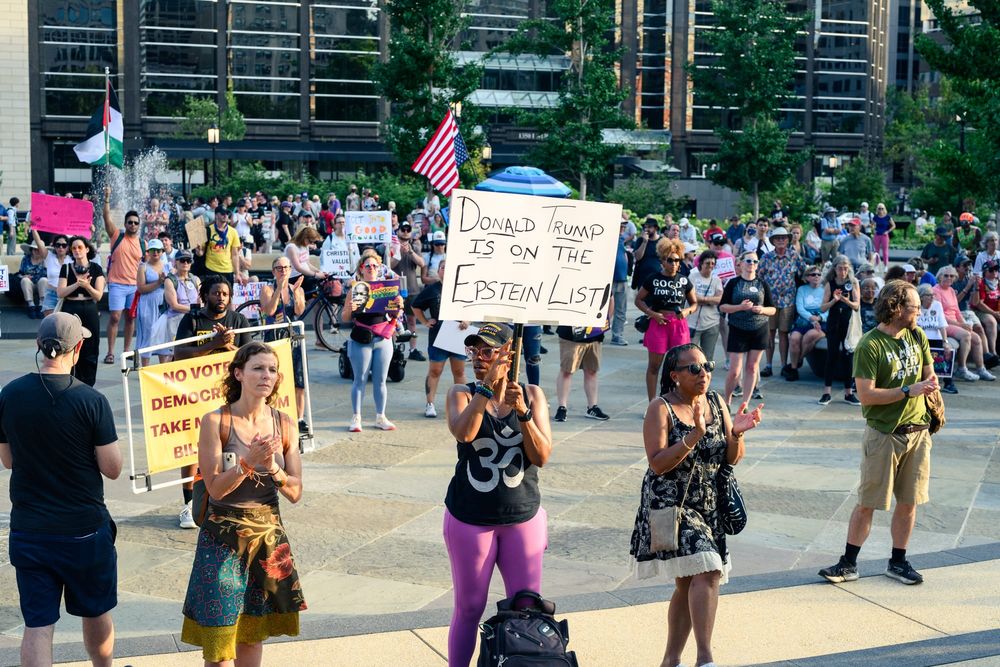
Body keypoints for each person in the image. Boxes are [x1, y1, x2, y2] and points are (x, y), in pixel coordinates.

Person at [0, 313, 122, 667]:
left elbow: (7, 460)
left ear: (39, 346)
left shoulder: (10, 395)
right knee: (96, 611)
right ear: (79, 348)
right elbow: (112, 469)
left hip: (30, 529)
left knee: (38, 624)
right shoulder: (91, 400)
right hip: (84, 530)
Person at [629, 344, 763, 667]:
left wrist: (738, 435)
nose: (703, 373)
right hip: (672, 506)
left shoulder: (716, 402)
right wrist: (694, 436)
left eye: (707, 366)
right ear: (674, 376)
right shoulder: (659, 408)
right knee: (708, 568)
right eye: (694, 369)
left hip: (709, 503)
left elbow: (731, 459)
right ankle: (705, 659)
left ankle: (670, 660)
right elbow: (658, 464)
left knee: (689, 582)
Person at [180, 342, 306, 666]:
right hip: (221, 542)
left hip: (267, 541)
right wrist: (249, 461)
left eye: (272, 370)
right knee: (220, 644)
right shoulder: (215, 421)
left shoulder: (285, 423)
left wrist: (273, 468)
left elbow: (295, 492)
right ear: (239, 373)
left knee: (252, 637)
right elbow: (216, 488)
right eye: (258, 368)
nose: (267, 375)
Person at [443, 323, 552, 667]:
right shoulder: (461, 393)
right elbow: (464, 434)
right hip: (470, 518)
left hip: (522, 516)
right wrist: (486, 389)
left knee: (525, 608)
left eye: (488, 351)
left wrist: (523, 414)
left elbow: (542, 456)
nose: (478, 358)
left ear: (510, 354)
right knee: (470, 606)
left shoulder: (532, 395)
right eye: (474, 350)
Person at [819, 280, 939, 586]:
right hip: (884, 434)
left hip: (919, 432)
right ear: (897, 308)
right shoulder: (870, 345)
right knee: (868, 502)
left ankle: (898, 561)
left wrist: (930, 385)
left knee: (909, 501)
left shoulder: (917, 335)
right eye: (914, 305)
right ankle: (848, 563)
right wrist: (907, 390)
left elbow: (929, 374)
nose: (919, 310)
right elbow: (866, 395)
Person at [173, 276, 254, 529]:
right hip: (196, 395)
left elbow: (250, 356)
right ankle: (189, 504)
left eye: (226, 294)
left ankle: (232, 499)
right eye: (216, 293)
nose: (221, 298)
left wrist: (229, 347)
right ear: (205, 295)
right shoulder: (192, 320)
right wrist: (212, 344)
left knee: (233, 445)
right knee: (191, 448)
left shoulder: (238, 321)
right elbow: (179, 353)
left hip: (229, 395)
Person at [341, 254, 405, 432]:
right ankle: (356, 416)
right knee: (359, 379)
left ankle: (380, 416)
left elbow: (395, 315)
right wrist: (349, 308)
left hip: (382, 337)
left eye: (375, 266)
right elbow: (344, 318)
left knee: (381, 380)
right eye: (368, 266)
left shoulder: (387, 288)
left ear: (380, 268)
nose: (371, 269)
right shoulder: (354, 290)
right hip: (361, 337)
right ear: (361, 268)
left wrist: (399, 305)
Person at [635, 238, 699, 401]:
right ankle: (652, 403)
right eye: (670, 260)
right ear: (662, 260)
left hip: (678, 325)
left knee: (680, 366)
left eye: (677, 260)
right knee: (654, 366)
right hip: (658, 324)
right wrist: (652, 314)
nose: (674, 263)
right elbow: (638, 300)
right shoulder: (653, 278)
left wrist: (686, 311)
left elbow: (694, 303)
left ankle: (676, 400)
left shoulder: (684, 280)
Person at [411, 260, 467, 418]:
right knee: (435, 370)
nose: (445, 271)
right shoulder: (432, 290)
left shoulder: (461, 288)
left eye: (449, 268)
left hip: (457, 335)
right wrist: (424, 321)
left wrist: (467, 321)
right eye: (443, 268)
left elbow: (471, 308)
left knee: (459, 371)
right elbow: (415, 306)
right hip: (438, 336)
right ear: (438, 271)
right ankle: (430, 403)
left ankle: (462, 404)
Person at [720, 251, 776, 404]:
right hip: (738, 328)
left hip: (759, 329)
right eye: (749, 261)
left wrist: (762, 310)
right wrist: (739, 307)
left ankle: (745, 403)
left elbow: (772, 309)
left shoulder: (762, 284)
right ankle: (727, 401)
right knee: (735, 371)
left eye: (755, 262)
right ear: (741, 263)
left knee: (752, 368)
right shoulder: (733, 283)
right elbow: (723, 307)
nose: (752, 264)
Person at [259, 257, 309, 429]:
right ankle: (273, 415)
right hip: (274, 339)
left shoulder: (297, 289)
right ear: (273, 271)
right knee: (274, 380)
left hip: (293, 339)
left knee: (299, 380)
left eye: (286, 267)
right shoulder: (267, 289)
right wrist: (279, 288)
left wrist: (295, 292)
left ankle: (300, 418)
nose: (283, 271)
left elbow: (299, 311)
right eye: (279, 268)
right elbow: (270, 310)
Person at [102, 187, 145, 364]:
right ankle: (110, 351)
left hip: (134, 287)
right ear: (125, 223)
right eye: (130, 222)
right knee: (115, 317)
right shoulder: (117, 236)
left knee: (130, 318)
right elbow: (106, 218)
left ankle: (126, 351)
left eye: (135, 222)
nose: (132, 225)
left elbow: (146, 265)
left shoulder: (143, 243)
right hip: (117, 284)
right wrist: (107, 198)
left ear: (138, 224)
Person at [758, 226, 807, 379]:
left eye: (783, 238)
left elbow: (805, 274)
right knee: (770, 333)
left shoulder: (794, 256)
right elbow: (758, 277)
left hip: (788, 301)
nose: (780, 241)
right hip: (770, 302)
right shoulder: (766, 258)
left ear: (787, 240)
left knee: (784, 334)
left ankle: (785, 365)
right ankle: (768, 365)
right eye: (777, 238)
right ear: (772, 241)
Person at [56, 237, 106, 386]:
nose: (77, 250)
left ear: (87, 249)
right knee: (69, 344)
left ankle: (88, 382)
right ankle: (69, 380)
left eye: (79, 247)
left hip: (89, 309)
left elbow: (98, 295)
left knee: (90, 345)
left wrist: (87, 286)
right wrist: (77, 284)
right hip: (70, 308)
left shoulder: (96, 268)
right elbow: (61, 292)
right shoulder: (66, 268)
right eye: (73, 248)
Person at [553, 302, 613, 422]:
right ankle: (562, 407)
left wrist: (605, 320)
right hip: (571, 332)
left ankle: (592, 407)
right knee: (567, 370)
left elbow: (610, 299)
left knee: (592, 370)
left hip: (594, 332)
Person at [934, 266, 993, 381]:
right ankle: (962, 369)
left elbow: (957, 311)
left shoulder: (951, 290)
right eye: (946, 275)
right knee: (966, 335)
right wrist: (961, 326)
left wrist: (965, 324)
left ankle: (981, 369)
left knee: (976, 338)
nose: (949, 278)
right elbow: (940, 316)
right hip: (943, 324)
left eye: (952, 276)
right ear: (940, 276)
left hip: (954, 323)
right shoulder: (935, 291)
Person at [818, 255, 861, 405]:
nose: (842, 271)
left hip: (848, 324)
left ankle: (848, 393)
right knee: (832, 355)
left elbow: (856, 305)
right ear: (834, 269)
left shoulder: (853, 282)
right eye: (840, 268)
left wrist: (845, 300)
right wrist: (834, 300)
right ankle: (826, 392)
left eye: (845, 268)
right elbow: (822, 308)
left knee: (848, 356)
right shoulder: (830, 284)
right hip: (834, 322)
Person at [148, 249, 200, 364]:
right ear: (175, 262)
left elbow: (202, 300)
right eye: (182, 260)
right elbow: (174, 305)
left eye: (188, 260)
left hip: (195, 319)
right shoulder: (170, 280)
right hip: (176, 320)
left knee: (195, 351)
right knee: (175, 352)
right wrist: (195, 309)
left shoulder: (195, 279)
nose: (185, 263)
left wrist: (199, 309)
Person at [391, 218, 428, 360]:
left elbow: (422, 263)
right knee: (393, 321)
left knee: (412, 320)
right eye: (403, 229)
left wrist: (410, 251)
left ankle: (413, 349)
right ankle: (394, 349)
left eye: (408, 230)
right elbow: (390, 265)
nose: (405, 232)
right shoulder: (391, 246)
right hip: (394, 290)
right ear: (398, 231)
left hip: (412, 289)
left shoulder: (415, 246)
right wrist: (399, 253)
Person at [786, 267, 827, 381]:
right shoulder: (802, 289)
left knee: (810, 335)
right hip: (804, 320)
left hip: (820, 321)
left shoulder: (825, 290)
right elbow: (800, 308)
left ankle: (798, 361)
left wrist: (819, 318)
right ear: (807, 277)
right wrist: (811, 318)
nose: (816, 276)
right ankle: (794, 369)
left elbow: (828, 309)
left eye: (819, 274)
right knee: (794, 338)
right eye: (813, 274)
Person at [917, 284, 958, 394]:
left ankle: (949, 383)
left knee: (947, 353)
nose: (932, 297)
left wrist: (945, 342)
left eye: (933, 295)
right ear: (921, 297)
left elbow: (942, 325)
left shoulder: (937, 305)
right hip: (921, 339)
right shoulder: (916, 307)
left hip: (936, 338)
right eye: (929, 295)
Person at [134, 239, 169, 367]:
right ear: (148, 252)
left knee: (163, 334)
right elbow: (141, 288)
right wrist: (158, 283)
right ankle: (145, 369)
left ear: (162, 252)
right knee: (148, 334)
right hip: (147, 305)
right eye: (153, 250)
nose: (155, 253)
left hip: (164, 303)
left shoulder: (167, 265)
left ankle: (162, 369)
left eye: (158, 250)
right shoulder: (143, 267)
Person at [687, 250, 724, 362]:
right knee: (689, 356)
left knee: (707, 359)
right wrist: (710, 300)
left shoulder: (717, 280)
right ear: (701, 263)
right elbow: (691, 297)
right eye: (708, 263)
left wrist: (702, 299)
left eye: (713, 264)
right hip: (692, 323)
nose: (710, 266)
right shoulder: (693, 276)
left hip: (711, 324)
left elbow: (719, 299)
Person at [197, 208, 244, 288]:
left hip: (227, 270)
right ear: (216, 215)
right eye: (222, 213)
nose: (225, 215)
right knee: (211, 296)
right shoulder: (207, 230)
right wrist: (198, 251)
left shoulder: (233, 232)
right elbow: (201, 253)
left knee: (227, 296)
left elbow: (235, 255)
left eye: (227, 213)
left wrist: (237, 274)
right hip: (211, 269)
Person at [30, 228, 72, 316]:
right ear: (54, 246)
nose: (61, 247)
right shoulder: (49, 256)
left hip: (68, 295)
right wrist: (34, 229)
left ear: (68, 247)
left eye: (64, 245)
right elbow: (38, 243)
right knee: (50, 324)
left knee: (66, 325)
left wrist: (90, 231)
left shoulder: (72, 259)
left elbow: (83, 247)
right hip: (51, 294)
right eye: (58, 245)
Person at [284, 226, 327, 295]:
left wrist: (319, 271)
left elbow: (308, 264)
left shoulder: (305, 246)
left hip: (304, 274)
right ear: (304, 238)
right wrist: (315, 274)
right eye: (310, 241)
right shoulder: (292, 247)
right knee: (312, 287)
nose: (311, 244)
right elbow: (298, 267)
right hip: (293, 276)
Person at [610, 221, 631, 346]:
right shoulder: (609, 238)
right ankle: (597, 333)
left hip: (621, 279)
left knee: (621, 310)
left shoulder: (621, 240)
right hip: (610, 279)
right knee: (605, 308)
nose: (623, 228)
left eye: (624, 226)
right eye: (620, 225)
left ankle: (617, 335)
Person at [18, 240, 49, 319]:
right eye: (35, 249)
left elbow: (51, 275)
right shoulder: (26, 259)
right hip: (29, 285)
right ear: (31, 250)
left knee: (43, 280)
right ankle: (31, 306)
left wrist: (45, 263)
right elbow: (19, 274)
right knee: (25, 280)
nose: (37, 251)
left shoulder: (47, 260)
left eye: (39, 249)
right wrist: (24, 276)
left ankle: (41, 305)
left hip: (42, 285)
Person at [631, 218, 663, 292]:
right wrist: (644, 242)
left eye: (649, 227)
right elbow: (638, 257)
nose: (646, 229)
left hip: (658, 278)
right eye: (645, 227)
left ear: (655, 228)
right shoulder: (640, 240)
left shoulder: (662, 241)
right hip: (643, 278)